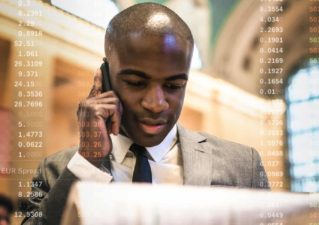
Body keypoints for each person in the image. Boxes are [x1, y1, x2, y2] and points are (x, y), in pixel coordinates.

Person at [22, 3, 268, 225]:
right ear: (105, 77)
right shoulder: (56, 171)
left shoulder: (244, 165)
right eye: (136, 83)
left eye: (173, 86)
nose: (156, 104)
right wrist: (88, 161)